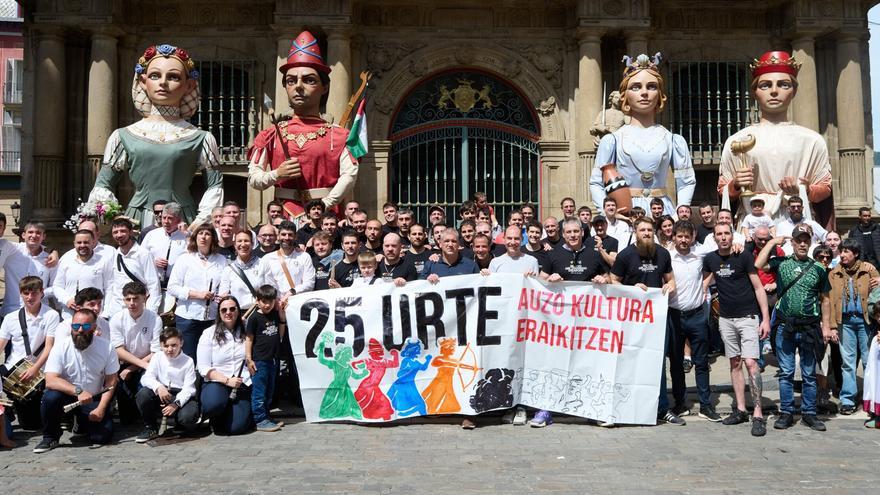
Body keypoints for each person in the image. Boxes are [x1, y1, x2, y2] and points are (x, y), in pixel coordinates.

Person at [88, 43, 223, 227]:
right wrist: (115, 219)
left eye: (173, 76)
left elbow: (215, 186)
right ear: (143, 81)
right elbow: (102, 185)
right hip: (137, 220)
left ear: (189, 85)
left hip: (183, 221)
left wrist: (200, 222)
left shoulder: (202, 138)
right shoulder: (122, 136)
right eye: (155, 75)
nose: (163, 83)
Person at [248, 31, 357, 219]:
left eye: (309, 80)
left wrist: (324, 204)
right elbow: (254, 178)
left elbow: (349, 176)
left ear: (325, 87)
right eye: (291, 80)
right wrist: (277, 174)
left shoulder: (339, 136)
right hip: (284, 220)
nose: (298, 86)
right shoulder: (270, 135)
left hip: (326, 217)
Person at [719, 51, 833, 230]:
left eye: (783, 84)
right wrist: (735, 184)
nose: (774, 91)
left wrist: (804, 189)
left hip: (797, 219)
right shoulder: (737, 140)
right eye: (765, 85)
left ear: (794, 91)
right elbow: (723, 189)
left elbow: (825, 190)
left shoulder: (812, 141)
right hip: (752, 219)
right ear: (755, 92)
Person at [590, 52, 696, 216]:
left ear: (660, 94)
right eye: (636, 87)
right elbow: (597, 182)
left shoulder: (673, 140)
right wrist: (607, 214)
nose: (644, 92)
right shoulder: (612, 140)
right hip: (626, 212)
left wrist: (680, 211)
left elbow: (686, 181)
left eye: (652, 86)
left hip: (663, 211)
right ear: (625, 95)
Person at [755, 224, 833, 431]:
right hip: (785, 326)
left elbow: (825, 300)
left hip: (809, 327)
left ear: (810, 243)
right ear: (792, 242)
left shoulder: (818, 268)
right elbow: (759, 264)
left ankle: (809, 413)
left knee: (808, 373)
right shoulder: (781, 263)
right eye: (798, 240)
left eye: (806, 240)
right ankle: (787, 412)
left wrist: (826, 327)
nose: (802, 243)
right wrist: (771, 242)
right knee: (787, 372)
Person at [531, 219, 607, 428]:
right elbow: (540, 281)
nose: (573, 235)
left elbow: (608, 276)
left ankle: (593, 410)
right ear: (563, 234)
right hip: (558, 323)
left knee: (589, 365)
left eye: (576, 231)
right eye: (569, 232)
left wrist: (603, 280)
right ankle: (545, 409)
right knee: (553, 364)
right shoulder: (553, 255)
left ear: (582, 233)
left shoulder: (593, 254)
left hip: (588, 323)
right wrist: (549, 280)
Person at [610, 217, 682, 426]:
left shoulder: (663, 253)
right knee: (630, 359)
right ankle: (627, 406)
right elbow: (613, 281)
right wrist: (632, 290)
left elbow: (670, 279)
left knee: (658, 362)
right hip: (631, 320)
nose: (647, 233)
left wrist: (670, 287)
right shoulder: (625, 255)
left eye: (650, 230)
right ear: (635, 232)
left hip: (657, 318)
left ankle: (662, 408)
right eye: (642, 230)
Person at [703, 223, 772, 436]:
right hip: (725, 319)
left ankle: (758, 413)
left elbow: (759, 287)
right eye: (719, 234)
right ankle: (740, 409)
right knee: (734, 362)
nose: (723, 237)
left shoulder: (743, 256)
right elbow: (705, 282)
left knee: (751, 363)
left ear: (732, 236)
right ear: (714, 237)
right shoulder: (711, 259)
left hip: (748, 317)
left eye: (726, 234)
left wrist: (765, 319)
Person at [34, 309, 119, 453]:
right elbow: (50, 380)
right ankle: (50, 437)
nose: (79, 330)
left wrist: (101, 408)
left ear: (94, 327)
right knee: (50, 397)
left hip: (92, 398)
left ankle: (81, 422)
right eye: (75, 326)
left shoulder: (107, 347)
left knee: (101, 437)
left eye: (85, 327)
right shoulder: (60, 346)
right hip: (66, 396)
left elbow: (111, 382)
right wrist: (78, 391)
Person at [666, 222, 720, 423]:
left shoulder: (701, 254)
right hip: (674, 314)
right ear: (674, 237)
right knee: (676, 362)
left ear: (692, 237)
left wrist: (705, 284)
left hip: (697, 314)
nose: (683, 240)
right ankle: (680, 402)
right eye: (679, 236)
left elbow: (722, 252)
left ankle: (706, 405)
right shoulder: (667, 256)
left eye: (687, 236)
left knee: (702, 362)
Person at [0, 276, 60, 429]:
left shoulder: (51, 315)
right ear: (20, 294)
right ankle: (6, 408)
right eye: (26, 293)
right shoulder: (10, 318)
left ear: (42, 293)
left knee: (32, 425)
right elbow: (1, 345)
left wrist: (34, 368)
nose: (30, 297)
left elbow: (49, 346)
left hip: (40, 370)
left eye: (34, 293)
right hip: (14, 369)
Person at [828, 239, 879, 415]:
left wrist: (878, 280)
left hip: (866, 322)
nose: (842, 254)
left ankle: (871, 399)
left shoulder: (868, 270)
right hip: (845, 322)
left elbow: (878, 295)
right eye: (841, 251)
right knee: (847, 363)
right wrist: (832, 326)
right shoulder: (834, 273)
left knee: (869, 361)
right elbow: (829, 301)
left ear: (855, 254)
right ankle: (848, 399)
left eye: (846, 251)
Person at [167, 224, 227, 361]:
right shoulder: (185, 259)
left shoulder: (221, 260)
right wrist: (197, 294)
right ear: (195, 237)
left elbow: (224, 286)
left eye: (207, 234)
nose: (204, 237)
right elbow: (172, 287)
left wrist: (222, 297)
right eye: (200, 233)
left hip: (212, 317)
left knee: (209, 357)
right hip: (187, 317)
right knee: (188, 357)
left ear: (213, 238)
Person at [197, 296, 253, 435]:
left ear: (238, 311)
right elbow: (203, 367)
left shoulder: (248, 329)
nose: (228, 312)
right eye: (224, 310)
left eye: (232, 309)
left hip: (242, 382)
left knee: (237, 428)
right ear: (219, 313)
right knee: (213, 405)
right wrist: (227, 381)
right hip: (218, 381)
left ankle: (241, 414)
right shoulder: (208, 333)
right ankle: (215, 415)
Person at [110, 281, 162, 424]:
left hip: (147, 363)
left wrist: (133, 368)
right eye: (128, 299)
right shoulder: (117, 319)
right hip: (125, 365)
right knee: (128, 419)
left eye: (136, 298)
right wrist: (133, 367)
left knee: (144, 394)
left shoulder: (155, 319)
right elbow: (118, 350)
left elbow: (156, 352)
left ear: (145, 298)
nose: (132, 303)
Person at [136, 327, 199, 442]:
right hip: (162, 392)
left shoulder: (188, 361)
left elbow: (188, 388)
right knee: (143, 394)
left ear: (181, 343)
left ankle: (180, 424)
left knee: (188, 416)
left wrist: (176, 404)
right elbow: (146, 378)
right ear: (161, 345)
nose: (170, 349)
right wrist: (158, 387)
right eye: (166, 346)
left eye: (174, 345)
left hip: (180, 394)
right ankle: (150, 427)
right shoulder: (157, 357)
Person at [245, 285, 285, 432]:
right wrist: (249, 359)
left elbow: (280, 333)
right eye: (264, 301)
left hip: (273, 359)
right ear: (257, 300)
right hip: (259, 360)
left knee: (269, 390)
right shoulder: (254, 317)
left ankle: (267, 416)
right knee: (259, 391)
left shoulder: (274, 314)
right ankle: (259, 419)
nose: (267, 305)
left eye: (271, 301)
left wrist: (281, 317)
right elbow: (249, 339)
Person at [105, 217, 161, 317]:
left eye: (123, 231)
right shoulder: (113, 254)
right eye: (115, 232)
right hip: (116, 311)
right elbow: (111, 285)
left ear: (131, 232)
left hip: (138, 310)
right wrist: (108, 311)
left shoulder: (143, 254)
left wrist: (151, 312)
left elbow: (153, 285)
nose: (119, 235)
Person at [53, 229, 113, 319]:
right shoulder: (66, 260)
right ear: (74, 244)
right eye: (79, 242)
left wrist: (106, 313)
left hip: (94, 316)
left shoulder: (103, 261)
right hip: (69, 316)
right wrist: (67, 300)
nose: (82, 245)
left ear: (93, 243)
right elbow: (57, 286)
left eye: (86, 242)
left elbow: (110, 288)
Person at [1, 221, 57, 316]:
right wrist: (54, 250)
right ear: (23, 235)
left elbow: (55, 286)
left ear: (44, 236)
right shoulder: (12, 250)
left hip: (40, 313)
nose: (34, 235)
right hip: (11, 311)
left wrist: (40, 293)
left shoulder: (50, 259)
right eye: (30, 232)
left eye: (38, 233)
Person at [141, 202, 188, 311]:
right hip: (153, 284)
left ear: (178, 220)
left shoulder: (186, 237)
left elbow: (194, 258)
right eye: (164, 217)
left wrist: (187, 234)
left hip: (177, 285)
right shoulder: (151, 235)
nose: (166, 221)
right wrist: (153, 261)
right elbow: (141, 258)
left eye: (170, 218)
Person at [219, 231, 270, 314]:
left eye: (246, 241)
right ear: (234, 245)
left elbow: (270, 289)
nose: (243, 244)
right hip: (237, 315)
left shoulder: (263, 264)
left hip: (259, 313)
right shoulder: (228, 269)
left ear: (252, 244)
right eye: (239, 241)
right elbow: (223, 295)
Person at [264, 220, 316, 298]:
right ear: (278, 236)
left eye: (290, 235)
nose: (287, 238)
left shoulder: (304, 257)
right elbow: (267, 283)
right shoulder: (267, 259)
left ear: (295, 237)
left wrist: (293, 292)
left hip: (297, 302)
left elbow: (310, 283)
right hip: (276, 304)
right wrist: (278, 301)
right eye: (283, 234)